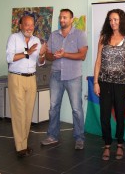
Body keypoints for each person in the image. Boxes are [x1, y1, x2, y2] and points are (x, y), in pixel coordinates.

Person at [41, 9, 88, 150]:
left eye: (65, 17)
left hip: (73, 76)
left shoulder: (80, 34)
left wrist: (64, 54)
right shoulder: (54, 35)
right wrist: (53, 56)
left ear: (71, 19)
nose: (62, 20)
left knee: (76, 109)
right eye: (60, 17)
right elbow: (48, 55)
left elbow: (82, 55)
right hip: (55, 75)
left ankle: (79, 138)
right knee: (53, 108)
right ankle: (52, 136)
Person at [93, 9, 125, 161]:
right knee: (104, 115)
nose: (113, 22)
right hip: (104, 83)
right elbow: (98, 61)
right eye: (110, 20)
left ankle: (120, 144)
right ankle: (106, 145)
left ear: (121, 20)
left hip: (121, 84)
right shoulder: (103, 37)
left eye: (116, 19)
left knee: (119, 115)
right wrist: (96, 82)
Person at [6, 15, 47, 158]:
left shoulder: (36, 41)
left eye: (32, 25)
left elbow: (40, 63)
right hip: (16, 77)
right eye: (26, 24)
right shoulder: (14, 38)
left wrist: (41, 55)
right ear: (20, 25)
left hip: (31, 79)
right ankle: (20, 147)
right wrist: (27, 52)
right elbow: (9, 58)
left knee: (28, 113)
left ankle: (23, 143)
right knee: (19, 113)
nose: (29, 27)